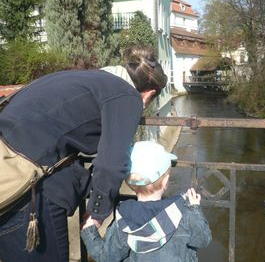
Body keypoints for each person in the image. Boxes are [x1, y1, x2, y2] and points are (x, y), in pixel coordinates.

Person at [0, 46, 167, 262]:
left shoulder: (85, 78)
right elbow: (112, 162)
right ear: (149, 94)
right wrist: (97, 212)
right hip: (29, 194)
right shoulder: (127, 95)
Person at [81, 140, 212, 262]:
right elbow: (203, 239)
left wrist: (89, 231)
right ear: (165, 182)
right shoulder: (182, 212)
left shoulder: (124, 220)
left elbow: (107, 257)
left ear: (130, 182)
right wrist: (194, 208)